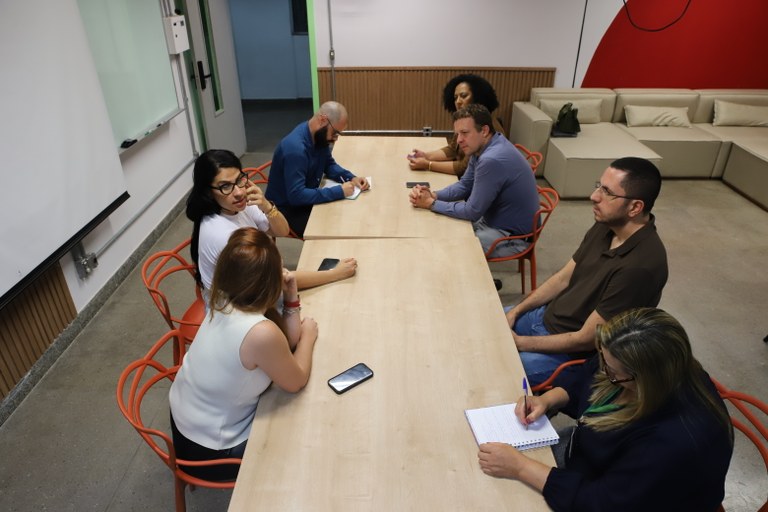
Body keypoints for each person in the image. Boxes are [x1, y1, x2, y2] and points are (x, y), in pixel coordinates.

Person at [478, 307, 734, 511]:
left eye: (612, 371)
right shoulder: (654, 368)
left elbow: (602, 503)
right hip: (589, 459)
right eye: (602, 358)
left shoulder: (672, 444)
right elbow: (586, 376)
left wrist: (521, 468)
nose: (604, 370)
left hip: (615, 496)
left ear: (645, 379)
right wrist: (548, 400)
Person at [169, 227, 319, 481]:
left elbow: (288, 341)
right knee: (305, 432)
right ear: (268, 284)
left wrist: (291, 297)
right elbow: (296, 380)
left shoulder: (223, 297)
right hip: (210, 451)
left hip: (187, 423)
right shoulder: (260, 333)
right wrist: (309, 337)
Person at [505, 156, 668, 386]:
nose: (594, 196)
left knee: (497, 368)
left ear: (635, 207)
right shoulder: (607, 225)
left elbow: (585, 339)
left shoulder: (641, 267)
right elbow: (563, 279)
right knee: (484, 324)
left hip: (570, 356)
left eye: (607, 192)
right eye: (599, 186)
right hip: (545, 318)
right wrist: (516, 311)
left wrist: (519, 343)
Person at [186, 149, 357, 297]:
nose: (238, 192)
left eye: (239, 180)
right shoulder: (223, 236)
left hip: (256, 289)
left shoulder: (237, 205)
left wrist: (267, 206)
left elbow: (282, 231)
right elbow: (278, 280)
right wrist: (334, 274)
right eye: (225, 186)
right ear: (208, 192)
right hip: (240, 308)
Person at [409, 104, 539, 259]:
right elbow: (465, 185)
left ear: (484, 131)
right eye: (457, 134)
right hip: (491, 221)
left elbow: (472, 211)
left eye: (464, 133)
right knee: (440, 227)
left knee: (446, 251)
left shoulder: (491, 160)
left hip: (513, 237)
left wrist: (431, 204)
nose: (459, 140)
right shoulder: (483, 147)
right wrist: (434, 195)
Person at [265, 101, 370, 238]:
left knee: (345, 214)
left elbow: (329, 164)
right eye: (335, 133)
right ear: (323, 120)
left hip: (305, 196)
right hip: (285, 210)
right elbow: (296, 195)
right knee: (332, 229)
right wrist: (339, 191)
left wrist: (351, 177)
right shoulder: (296, 149)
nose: (335, 139)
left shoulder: (318, 136)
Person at [407, 73, 506, 178]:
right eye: (455, 97)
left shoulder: (485, 126)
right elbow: (453, 149)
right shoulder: (467, 120)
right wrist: (426, 156)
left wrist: (428, 165)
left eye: (464, 96)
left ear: (478, 97)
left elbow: (463, 168)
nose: (458, 102)